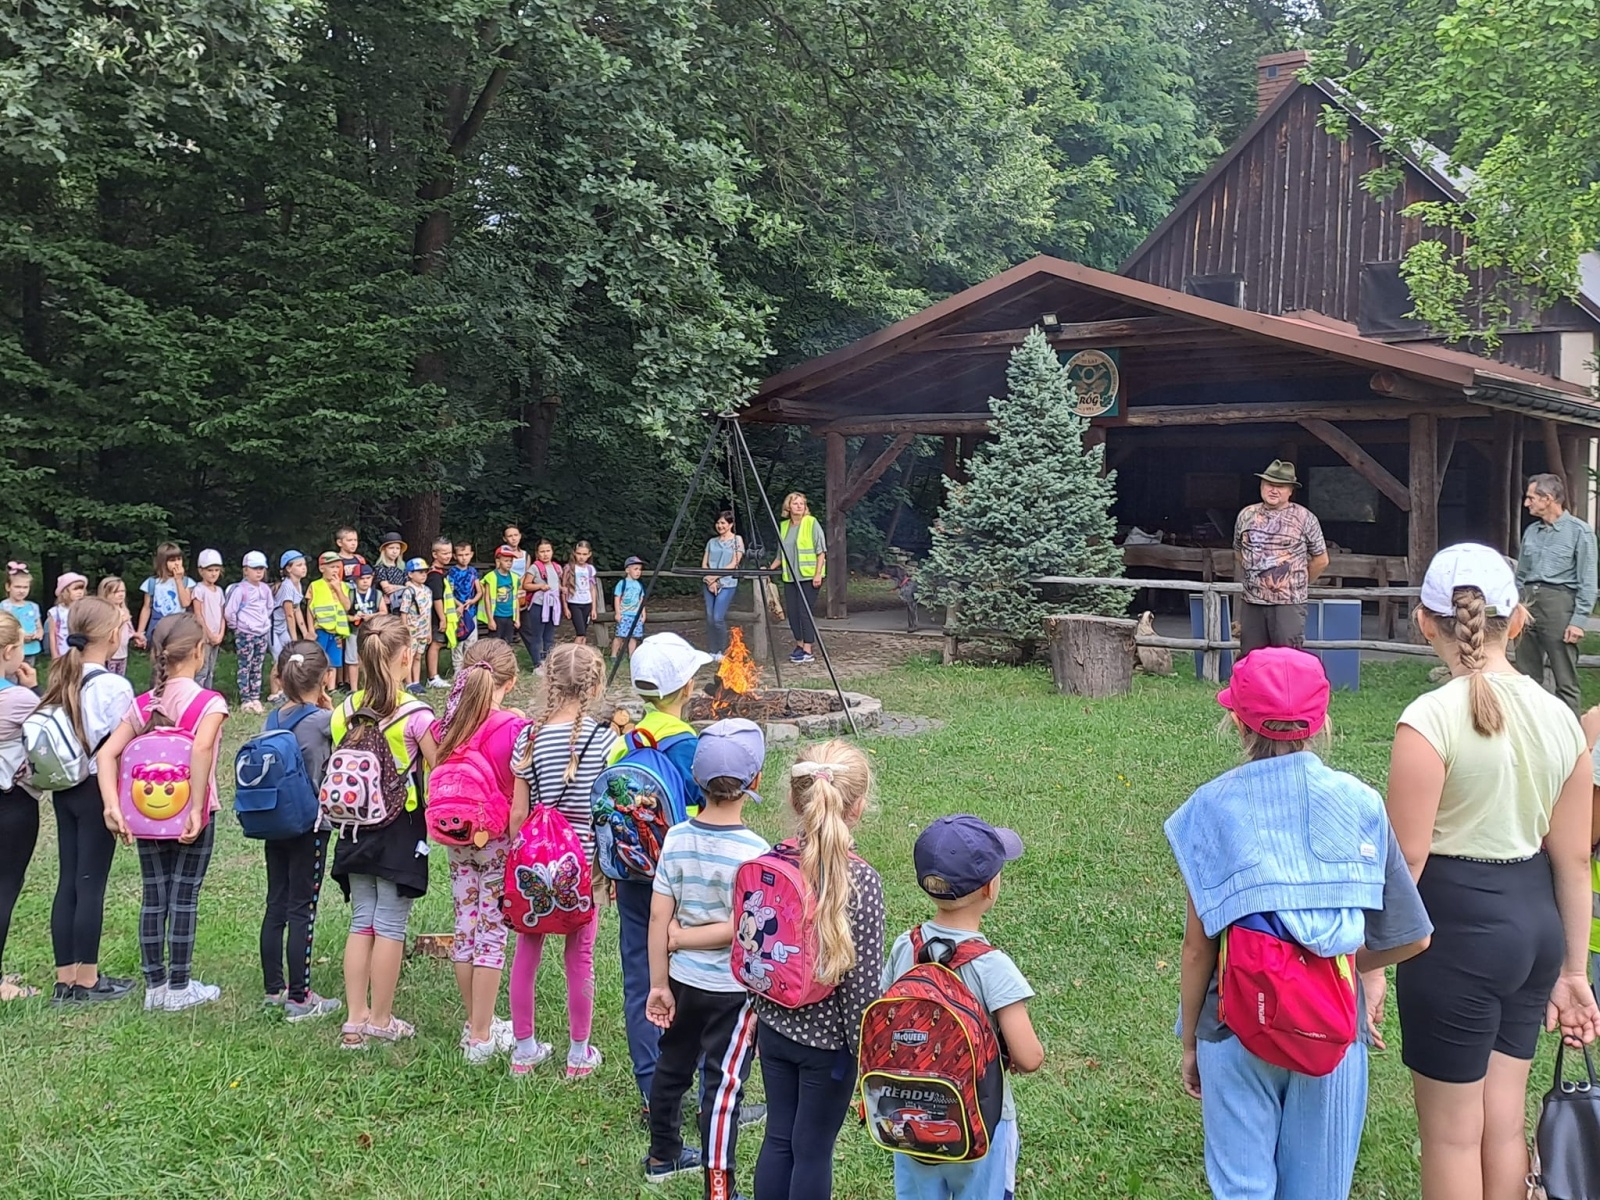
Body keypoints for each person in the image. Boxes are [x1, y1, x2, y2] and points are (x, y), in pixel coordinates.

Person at [1167, 647, 1433, 1200]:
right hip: (1332, 1025)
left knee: (1240, 1187)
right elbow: (1412, 936)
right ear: (1324, 719)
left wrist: (1191, 1041)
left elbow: (1198, 950)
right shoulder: (1361, 803)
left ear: (1237, 721)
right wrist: (1337, 966)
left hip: (1235, 1022)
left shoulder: (1210, 807)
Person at [1383, 543, 1600, 1199]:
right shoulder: (1563, 718)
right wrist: (1571, 971)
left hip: (1456, 931)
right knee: (1502, 1125)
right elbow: (1571, 857)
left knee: (1450, 1134)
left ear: (1425, 622)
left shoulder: (1426, 722)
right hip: (1534, 925)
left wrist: (1367, 964)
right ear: (1519, 620)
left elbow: (1407, 861)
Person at [884, 815, 1046, 1200]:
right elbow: (1029, 1057)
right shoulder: (992, 966)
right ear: (991, 887)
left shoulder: (904, 947)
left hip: (909, 1117)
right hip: (981, 1125)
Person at [752, 740, 886, 1200]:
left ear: (794, 799)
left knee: (778, 1138)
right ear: (859, 806)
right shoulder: (861, 881)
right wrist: (864, 1054)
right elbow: (862, 985)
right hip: (829, 1047)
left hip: (772, 1026)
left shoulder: (772, 862)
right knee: (813, 1151)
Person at [644, 720, 771, 1196]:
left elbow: (660, 920)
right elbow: (745, 928)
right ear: (754, 781)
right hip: (733, 992)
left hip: (680, 983)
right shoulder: (756, 853)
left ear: (696, 780)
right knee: (722, 1087)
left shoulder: (675, 837)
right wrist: (690, 940)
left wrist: (661, 980)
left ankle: (663, 1154)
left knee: (672, 1065)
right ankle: (720, 1190)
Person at [97, 613, 228, 1012]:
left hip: (146, 815)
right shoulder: (210, 702)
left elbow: (107, 753)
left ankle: (155, 986)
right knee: (184, 896)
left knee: (154, 896)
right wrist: (195, 807)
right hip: (193, 812)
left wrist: (112, 807)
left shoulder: (144, 703)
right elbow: (202, 749)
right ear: (200, 653)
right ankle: (180, 985)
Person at [608, 632, 712, 1115]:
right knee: (695, 978)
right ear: (687, 688)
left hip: (631, 873)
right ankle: (710, 1092)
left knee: (640, 979)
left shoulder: (622, 741)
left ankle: (653, 1090)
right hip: (680, 876)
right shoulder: (686, 744)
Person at [508, 641, 618, 1077]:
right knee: (581, 958)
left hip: (535, 868)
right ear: (595, 685)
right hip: (582, 869)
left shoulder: (528, 737)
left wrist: (522, 857)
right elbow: (606, 808)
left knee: (526, 953)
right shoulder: (604, 739)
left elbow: (518, 812)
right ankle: (578, 1053)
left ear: (548, 681)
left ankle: (524, 1048)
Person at [330, 614, 437, 1050]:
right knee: (390, 924)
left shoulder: (342, 712)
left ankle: (354, 1020)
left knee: (362, 920)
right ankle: (381, 1017)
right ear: (406, 657)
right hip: (399, 827)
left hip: (354, 827)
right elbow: (437, 765)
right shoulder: (416, 715)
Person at [431, 639, 523, 1065]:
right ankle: (483, 1037)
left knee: (466, 926)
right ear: (511, 682)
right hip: (497, 839)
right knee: (492, 933)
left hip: (456, 838)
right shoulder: (512, 728)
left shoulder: (445, 724)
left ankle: (474, 1023)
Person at [40, 596, 135, 1005]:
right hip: (98, 787)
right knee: (91, 882)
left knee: (69, 880)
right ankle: (89, 979)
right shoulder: (115, 685)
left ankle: (66, 977)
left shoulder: (62, 677)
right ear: (111, 635)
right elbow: (119, 747)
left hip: (65, 787)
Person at [259, 641, 342, 1022]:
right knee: (302, 909)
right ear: (325, 677)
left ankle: (273, 989)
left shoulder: (271, 720)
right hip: (311, 824)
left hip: (274, 821)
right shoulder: (324, 721)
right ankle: (300, 996)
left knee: (275, 902)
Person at [1514, 472, 1598, 714]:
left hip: (1559, 604)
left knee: (1565, 678)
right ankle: (1530, 730)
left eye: (1531, 498)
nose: (1526, 503)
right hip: (1528, 603)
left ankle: (1571, 738)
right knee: (1525, 676)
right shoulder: (1531, 531)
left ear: (1547, 498)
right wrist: (1516, 607)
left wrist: (1579, 621)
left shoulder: (1579, 532)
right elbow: (1521, 575)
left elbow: (1588, 580)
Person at [1233, 460, 1329, 660]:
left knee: (1287, 659)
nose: (1274, 490)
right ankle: (1253, 693)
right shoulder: (1246, 515)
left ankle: (1287, 693)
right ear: (1261, 486)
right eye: (1269, 484)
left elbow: (1321, 559)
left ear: (1290, 491)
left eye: (1280, 486)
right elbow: (1238, 551)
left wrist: (1298, 583)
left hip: (1288, 604)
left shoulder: (1305, 518)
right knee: (1251, 659)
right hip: (1252, 603)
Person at [0, 612, 41, 1000]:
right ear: (11, 651)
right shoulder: (18, 699)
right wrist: (35, 686)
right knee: (4, 886)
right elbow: (51, 730)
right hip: (10, 803)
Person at [769, 493, 825, 664]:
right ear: (789, 507)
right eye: (796, 503)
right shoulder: (784, 526)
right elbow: (780, 555)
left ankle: (808, 648)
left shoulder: (811, 523)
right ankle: (799, 645)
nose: (799, 506)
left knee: (804, 611)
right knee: (792, 613)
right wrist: (768, 570)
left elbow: (821, 551)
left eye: (802, 504)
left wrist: (817, 573)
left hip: (809, 577)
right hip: (790, 578)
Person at [226, 551, 275, 714]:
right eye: (254, 568)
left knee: (257, 665)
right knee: (245, 665)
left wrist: (263, 624)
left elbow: (269, 607)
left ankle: (255, 697)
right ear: (245, 570)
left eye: (261, 568)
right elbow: (230, 612)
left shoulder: (265, 589)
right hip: (245, 633)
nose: (259, 572)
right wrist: (238, 627)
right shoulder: (240, 589)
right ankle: (245, 699)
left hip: (261, 632)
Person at [307, 551, 352, 694]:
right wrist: (310, 629)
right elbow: (309, 609)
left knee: (334, 661)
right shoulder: (315, 585)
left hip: (337, 630)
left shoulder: (344, 586)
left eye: (337, 567)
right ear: (322, 568)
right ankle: (319, 687)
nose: (335, 570)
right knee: (320, 659)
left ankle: (332, 688)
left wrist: (338, 588)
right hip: (321, 628)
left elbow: (347, 606)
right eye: (332, 567)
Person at [134, 543, 195, 648]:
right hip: (158, 625)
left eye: (179, 559)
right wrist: (140, 632)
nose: (177, 563)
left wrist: (178, 580)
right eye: (172, 560)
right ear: (162, 562)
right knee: (158, 657)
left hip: (178, 626)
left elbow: (185, 603)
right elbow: (146, 608)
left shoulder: (186, 582)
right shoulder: (152, 583)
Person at [702, 512, 745, 657]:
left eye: (723, 523)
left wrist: (715, 578)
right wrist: (710, 580)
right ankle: (713, 650)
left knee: (717, 618)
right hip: (709, 583)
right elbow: (705, 563)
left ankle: (722, 649)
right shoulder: (711, 542)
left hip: (727, 583)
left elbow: (734, 563)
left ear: (730, 524)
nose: (720, 526)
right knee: (709, 618)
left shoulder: (737, 540)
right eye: (718, 523)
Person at [269, 550, 308, 703]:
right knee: (279, 658)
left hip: (282, 627)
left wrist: (305, 632)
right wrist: (294, 638)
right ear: (288, 569)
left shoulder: (298, 584)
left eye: (304, 564)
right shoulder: (287, 586)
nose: (304, 568)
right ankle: (274, 693)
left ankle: (283, 690)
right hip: (273, 627)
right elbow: (289, 614)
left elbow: (297, 608)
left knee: (288, 657)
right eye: (299, 565)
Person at [521, 539, 563, 671]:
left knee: (549, 636)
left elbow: (557, 584)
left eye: (548, 551)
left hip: (553, 605)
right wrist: (540, 586)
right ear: (537, 553)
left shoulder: (557, 567)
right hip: (539, 605)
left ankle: (548, 662)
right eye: (542, 551)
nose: (545, 554)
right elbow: (526, 585)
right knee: (537, 635)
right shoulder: (534, 567)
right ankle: (537, 664)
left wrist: (562, 589)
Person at [345, 564, 385, 693]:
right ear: (355, 580)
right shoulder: (350, 594)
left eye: (368, 578)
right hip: (354, 631)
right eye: (362, 578)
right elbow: (343, 614)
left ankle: (371, 686)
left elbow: (384, 612)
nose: (365, 581)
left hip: (372, 631)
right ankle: (354, 689)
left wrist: (371, 616)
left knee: (372, 658)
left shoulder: (377, 594)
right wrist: (354, 617)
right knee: (352, 660)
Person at [192, 549, 227, 691]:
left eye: (216, 570)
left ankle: (208, 695)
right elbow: (198, 614)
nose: (213, 573)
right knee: (202, 668)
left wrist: (220, 634)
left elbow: (223, 615)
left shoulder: (219, 591)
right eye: (210, 570)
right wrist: (208, 634)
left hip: (216, 636)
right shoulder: (199, 589)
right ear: (201, 571)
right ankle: (197, 695)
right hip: (204, 637)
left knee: (211, 669)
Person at [397, 557, 433, 694]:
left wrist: (429, 630)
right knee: (409, 657)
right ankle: (409, 682)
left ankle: (416, 681)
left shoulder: (428, 591)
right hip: (411, 630)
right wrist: (405, 629)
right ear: (410, 574)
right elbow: (404, 612)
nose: (423, 574)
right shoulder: (409, 591)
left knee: (418, 656)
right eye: (419, 572)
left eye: (425, 571)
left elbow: (428, 612)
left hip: (423, 630)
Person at [425, 537, 456, 690]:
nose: (447, 556)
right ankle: (432, 677)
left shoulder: (442, 572)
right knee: (435, 644)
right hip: (435, 616)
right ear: (434, 554)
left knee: (439, 643)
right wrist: (443, 619)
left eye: (449, 552)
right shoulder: (434, 575)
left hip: (442, 615)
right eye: (443, 553)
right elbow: (437, 598)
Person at [448, 540, 482, 677]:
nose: (464, 557)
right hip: (457, 612)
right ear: (455, 556)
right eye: (461, 555)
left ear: (471, 554)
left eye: (467, 554)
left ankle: (469, 667)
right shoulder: (452, 572)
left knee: (471, 640)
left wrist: (472, 601)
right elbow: (448, 592)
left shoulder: (473, 572)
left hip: (471, 611)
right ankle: (457, 669)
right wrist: (458, 605)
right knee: (458, 641)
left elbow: (479, 591)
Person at [2, 563, 42, 664]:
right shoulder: (4, 606)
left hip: (30, 649)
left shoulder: (33, 607)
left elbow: (39, 627)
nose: (21, 591)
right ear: (8, 587)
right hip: (11, 650)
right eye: (17, 587)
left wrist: (37, 635)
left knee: (27, 674)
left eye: (25, 587)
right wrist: (20, 638)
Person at [482, 545, 521, 647]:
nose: (509, 563)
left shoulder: (514, 577)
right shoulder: (491, 577)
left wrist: (517, 618)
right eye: (506, 560)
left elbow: (515, 598)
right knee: (494, 644)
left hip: (509, 616)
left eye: (511, 561)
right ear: (498, 561)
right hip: (497, 616)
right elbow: (487, 599)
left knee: (507, 643)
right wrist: (490, 619)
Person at [563, 540, 600, 645]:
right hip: (574, 602)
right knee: (580, 633)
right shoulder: (569, 568)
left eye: (584, 554)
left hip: (587, 603)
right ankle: (573, 654)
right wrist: (565, 607)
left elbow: (592, 589)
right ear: (574, 553)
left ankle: (581, 654)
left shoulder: (590, 569)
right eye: (579, 554)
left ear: (589, 554)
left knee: (584, 633)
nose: (581, 557)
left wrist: (594, 608)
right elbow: (564, 589)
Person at [46, 572, 88, 662]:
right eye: (75, 589)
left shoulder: (84, 609)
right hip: (63, 652)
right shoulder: (55, 612)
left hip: (81, 651)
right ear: (65, 591)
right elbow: (52, 635)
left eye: (82, 588)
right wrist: (54, 655)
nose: (80, 592)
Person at [96, 576, 134, 677]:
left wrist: (136, 636)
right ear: (106, 593)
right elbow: (108, 632)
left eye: (123, 591)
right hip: (110, 655)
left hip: (122, 654)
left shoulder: (124, 610)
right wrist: (121, 622)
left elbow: (128, 631)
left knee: (120, 678)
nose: (121, 594)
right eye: (116, 592)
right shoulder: (106, 612)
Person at [612, 556, 647, 659]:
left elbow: (641, 600)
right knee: (620, 636)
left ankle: (632, 656)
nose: (638, 572)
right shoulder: (622, 583)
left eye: (640, 569)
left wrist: (643, 613)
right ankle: (614, 655)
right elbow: (617, 598)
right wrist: (618, 613)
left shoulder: (639, 585)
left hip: (635, 615)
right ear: (627, 570)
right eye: (635, 569)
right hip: (624, 614)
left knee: (634, 637)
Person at [373, 533, 409, 602]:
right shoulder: (380, 567)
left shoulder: (402, 567)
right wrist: (406, 588)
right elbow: (387, 588)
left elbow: (409, 584)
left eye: (397, 548)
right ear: (384, 549)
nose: (395, 551)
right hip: (386, 602)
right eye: (391, 548)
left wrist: (405, 588)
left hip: (403, 600)